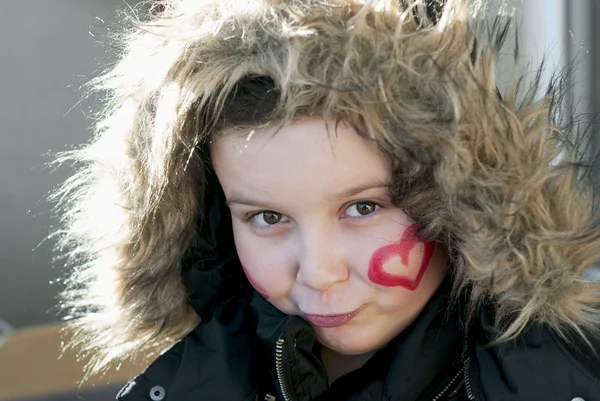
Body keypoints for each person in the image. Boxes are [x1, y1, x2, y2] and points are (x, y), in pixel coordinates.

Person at [50, 0, 600, 399]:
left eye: (363, 207)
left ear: (464, 196)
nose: (319, 273)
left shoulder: (562, 380)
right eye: (267, 217)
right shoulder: (195, 381)